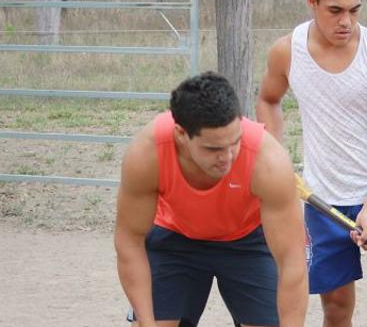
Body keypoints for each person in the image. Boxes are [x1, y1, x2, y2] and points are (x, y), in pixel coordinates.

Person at [256, 0, 367, 326]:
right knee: (336, 308)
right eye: (335, 10)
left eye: (354, 10)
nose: (346, 21)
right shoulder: (286, 52)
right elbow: (268, 99)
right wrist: (276, 159)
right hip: (324, 198)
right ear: (311, 1)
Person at [114, 72, 308, 327]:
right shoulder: (147, 154)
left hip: (247, 241)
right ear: (182, 134)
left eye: (235, 142)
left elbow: (292, 259)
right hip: (175, 238)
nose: (227, 157)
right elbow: (129, 241)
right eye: (213, 149)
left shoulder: (268, 160)